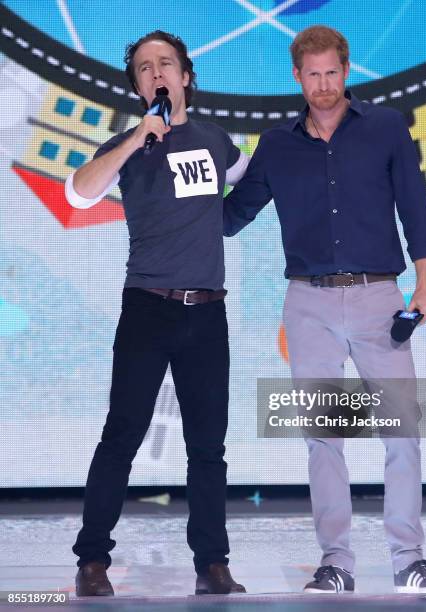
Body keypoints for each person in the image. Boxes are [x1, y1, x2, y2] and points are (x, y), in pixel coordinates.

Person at [223, 25, 426, 594]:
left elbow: (415, 207)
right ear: (296, 77)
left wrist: (424, 285)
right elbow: (231, 217)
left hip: (381, 298)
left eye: (331, 73)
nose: (323, 85)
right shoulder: (276, 146)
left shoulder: (386, 126)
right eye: (312, 75)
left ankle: (410, 560)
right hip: (308, 303)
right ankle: (336, 562)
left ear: (346, 72)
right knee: (324, 435)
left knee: (401, 432)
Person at [65, 30, 248, 597]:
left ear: (186, 76)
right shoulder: (127, 145)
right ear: (139, 86)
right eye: (145, 68)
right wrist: (136, 138)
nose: (157, 72)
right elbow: (78, 193)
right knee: (121, 434)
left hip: (206, 314)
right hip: (146, 309)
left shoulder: (216, 141)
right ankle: (92, 560)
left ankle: (212, 563)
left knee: (207, 446)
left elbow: (248, 185)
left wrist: (222, 226)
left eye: (166, 63)